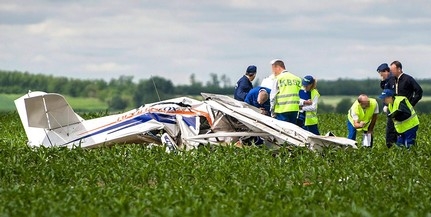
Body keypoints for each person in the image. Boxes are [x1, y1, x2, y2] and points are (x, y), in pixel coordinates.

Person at [269, 59, 302, 124]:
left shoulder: (278, 78)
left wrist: (272, 111)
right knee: (292, 131)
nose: (273, 73)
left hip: (281, 110)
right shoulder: (297, 79)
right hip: (294, 110)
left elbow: (273, 96)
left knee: (282, 132)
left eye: (273, 70)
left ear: (278, 68)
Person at [377, 63, 397, 148]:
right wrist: (382, 80)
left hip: (392, 106)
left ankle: (391, 145)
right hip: (390, 106)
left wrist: (386, 105)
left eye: (382, 74)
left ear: (386, 71)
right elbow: (384, 88)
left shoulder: (392, 79)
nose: (381, 76)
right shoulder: (388, 79)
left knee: (391, 128)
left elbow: (389, 94)